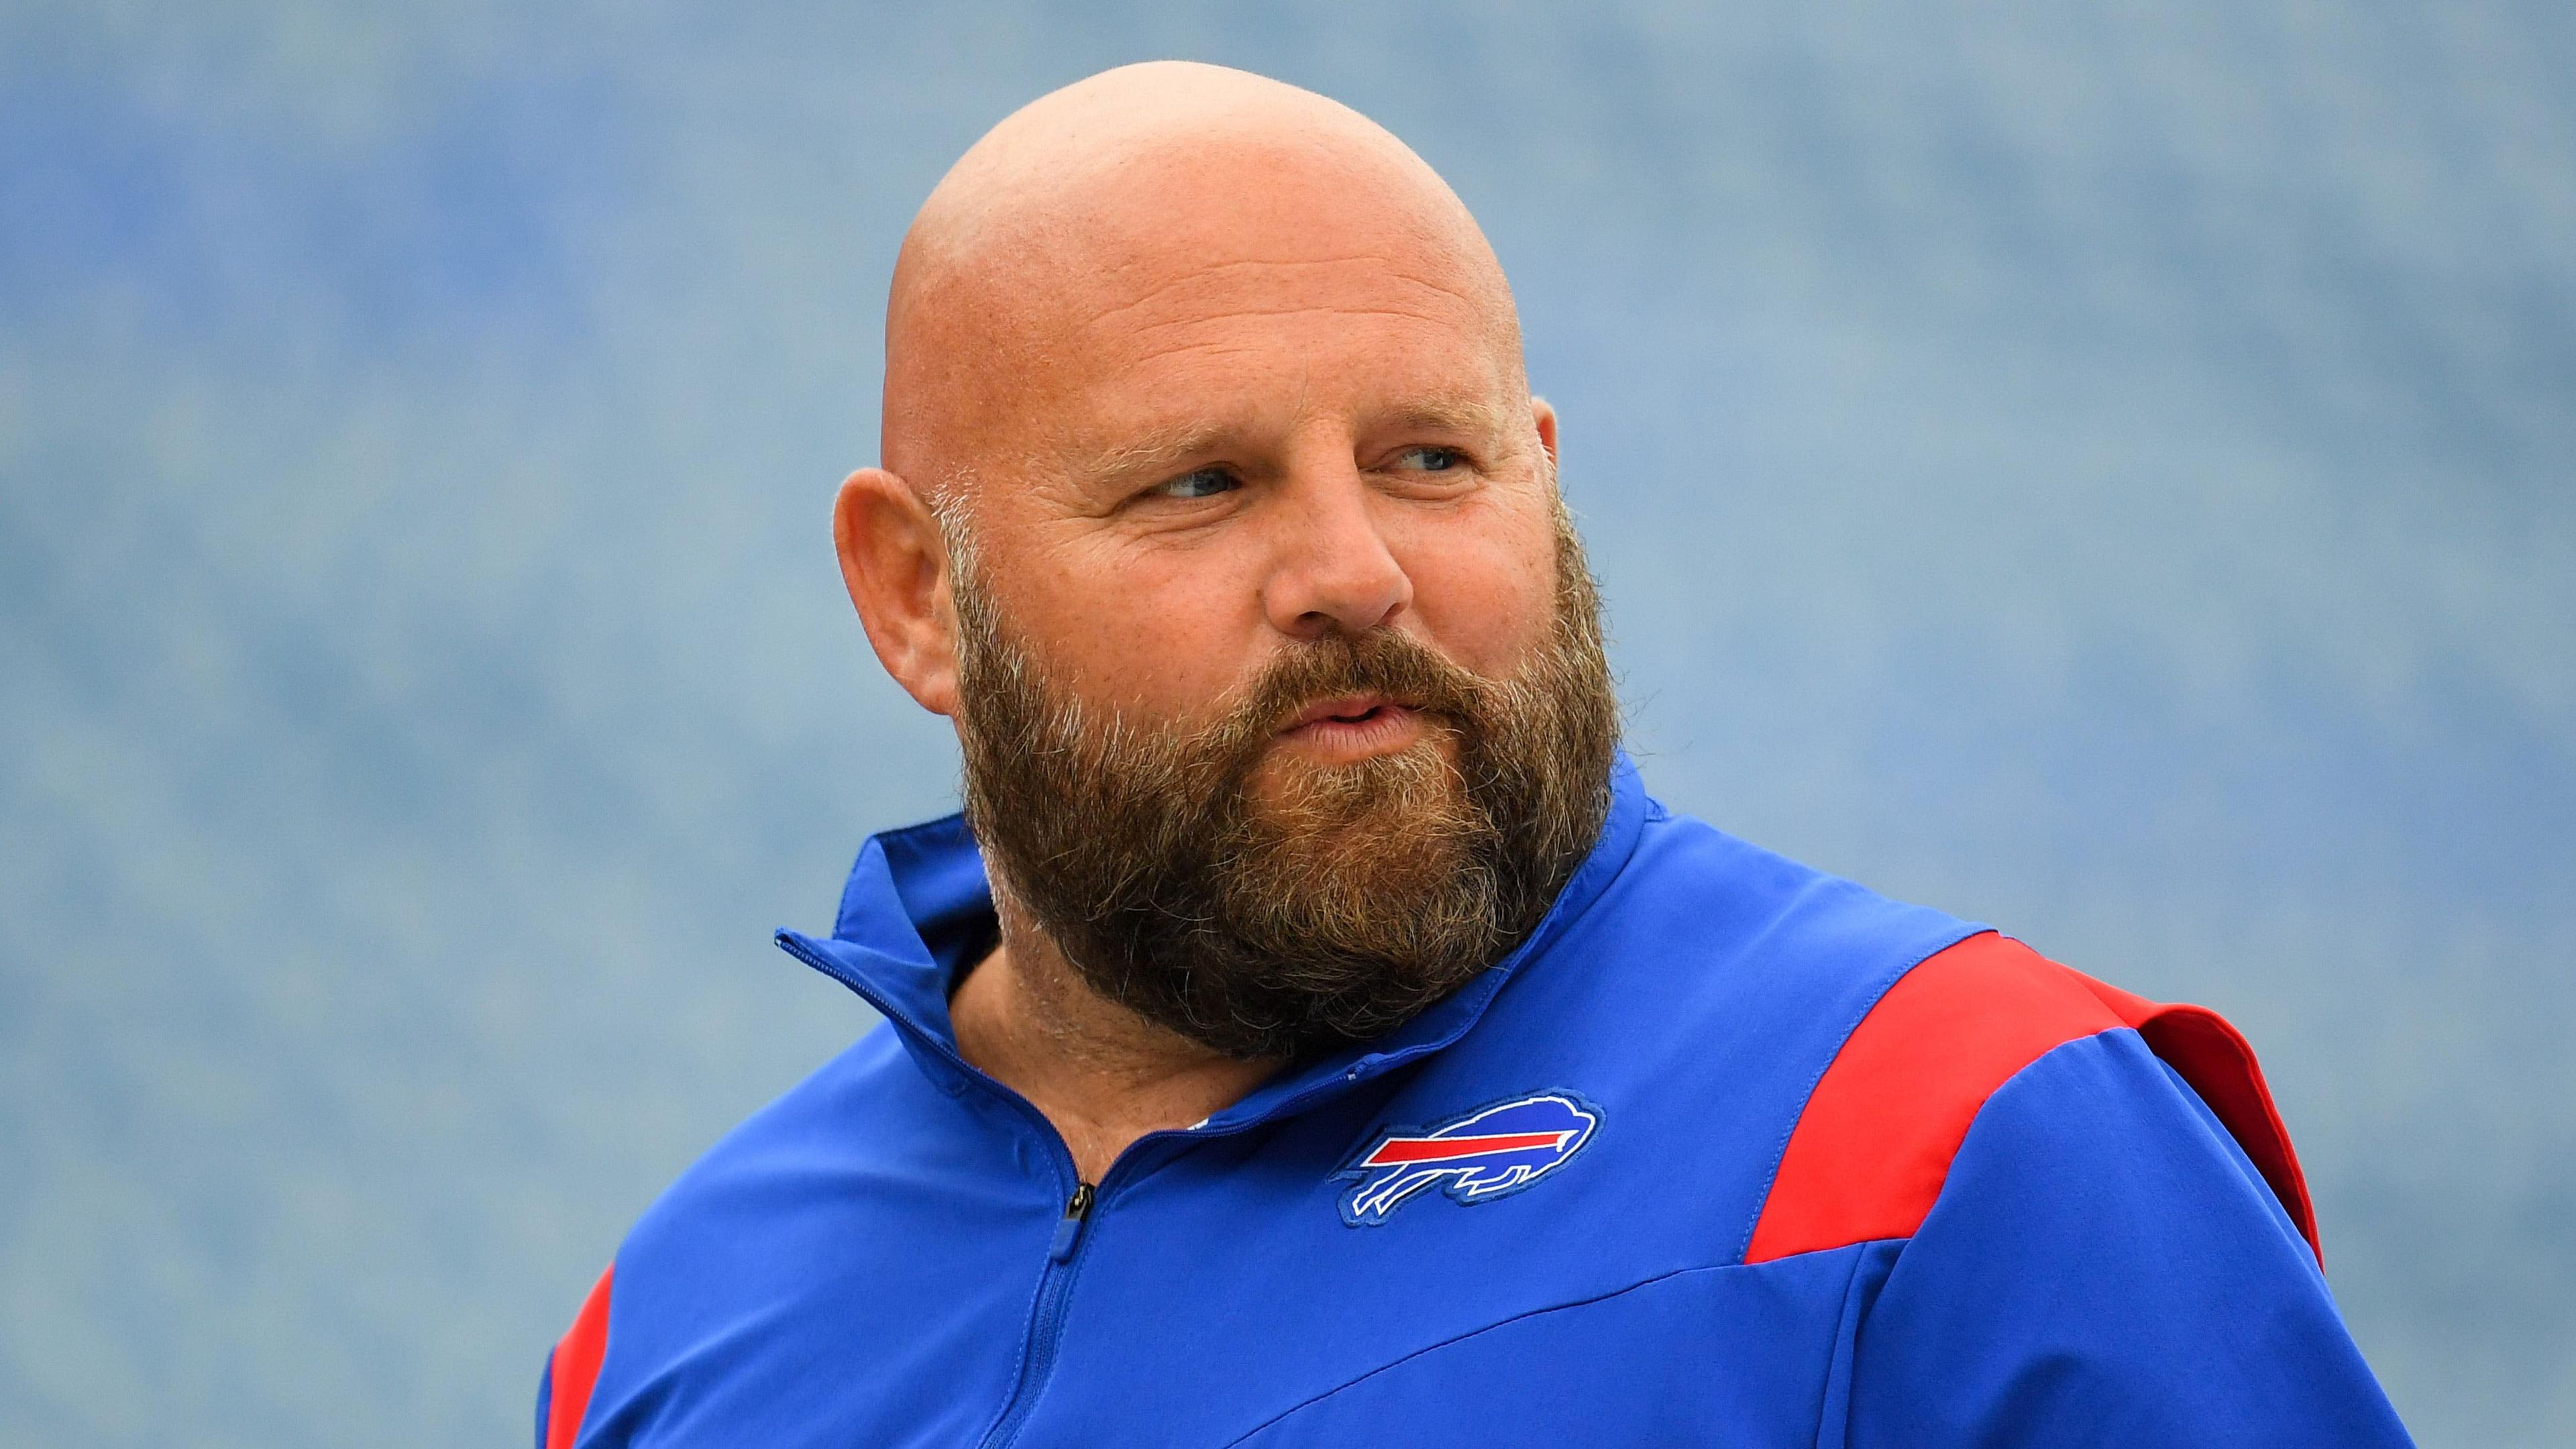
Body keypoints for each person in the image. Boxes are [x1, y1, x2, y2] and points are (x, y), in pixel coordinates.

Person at [533, 61, 2412, 1448]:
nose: (1356, 574)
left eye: (1434, 462)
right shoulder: (678, 1326)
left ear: (1545, 472)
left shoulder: (1957, 1138)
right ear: (917, 598)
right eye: (1204, 486)